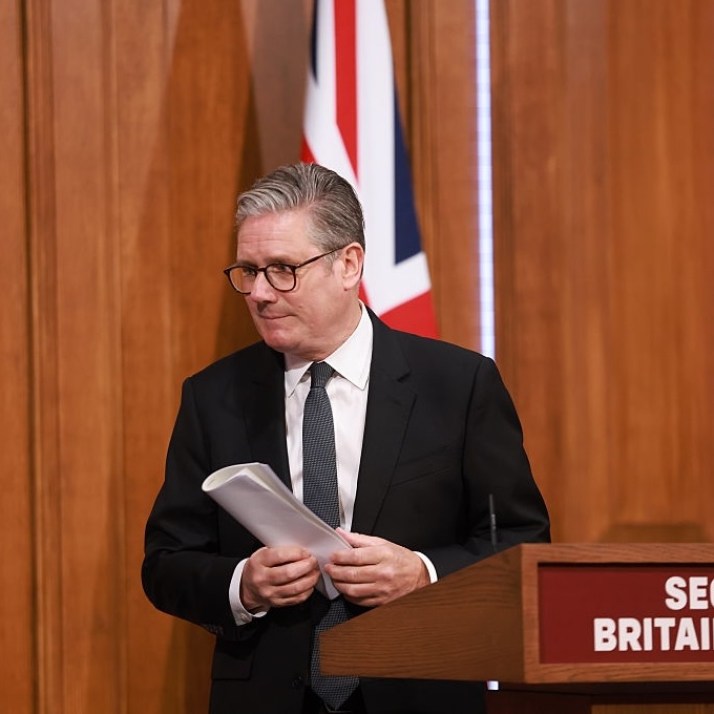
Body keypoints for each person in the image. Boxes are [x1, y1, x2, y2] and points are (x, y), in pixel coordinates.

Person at [142, 162, 550, 714]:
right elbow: (166, 564)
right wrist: (243, 584)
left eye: (282, 269)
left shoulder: (458, 384)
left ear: (349, 264)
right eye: (249, 271)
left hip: (419, 692)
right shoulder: (213, 396)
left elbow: (524, 545)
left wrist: (424, 573)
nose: (259, 293)